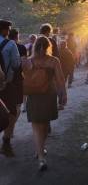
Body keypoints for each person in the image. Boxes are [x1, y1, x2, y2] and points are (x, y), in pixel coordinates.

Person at [23, 36, 67, 171]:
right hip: (49, 96)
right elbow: (60, 79)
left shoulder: (28, 61)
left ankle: (40, 154)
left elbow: (23, 81)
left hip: (33, 97)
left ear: (34, 46)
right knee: (45, 125)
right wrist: (63, 95)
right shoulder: (53, 61)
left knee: (37, 127)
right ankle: (41, 152)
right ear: (49, 46)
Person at [0, 19, 21, 156]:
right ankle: (6, 141)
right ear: (5, 30)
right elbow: (16, 64)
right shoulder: (11, 44)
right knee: (12, 111)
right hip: (5, 85)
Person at [7, 29, 27, 127]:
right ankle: (11, 127)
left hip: (5, 80)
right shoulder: (21, 47)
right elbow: (22, 64)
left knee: (7, 104)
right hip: (18, 79)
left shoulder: (3, 46)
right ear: (17, 36)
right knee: (18, 104)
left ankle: (8, 127)